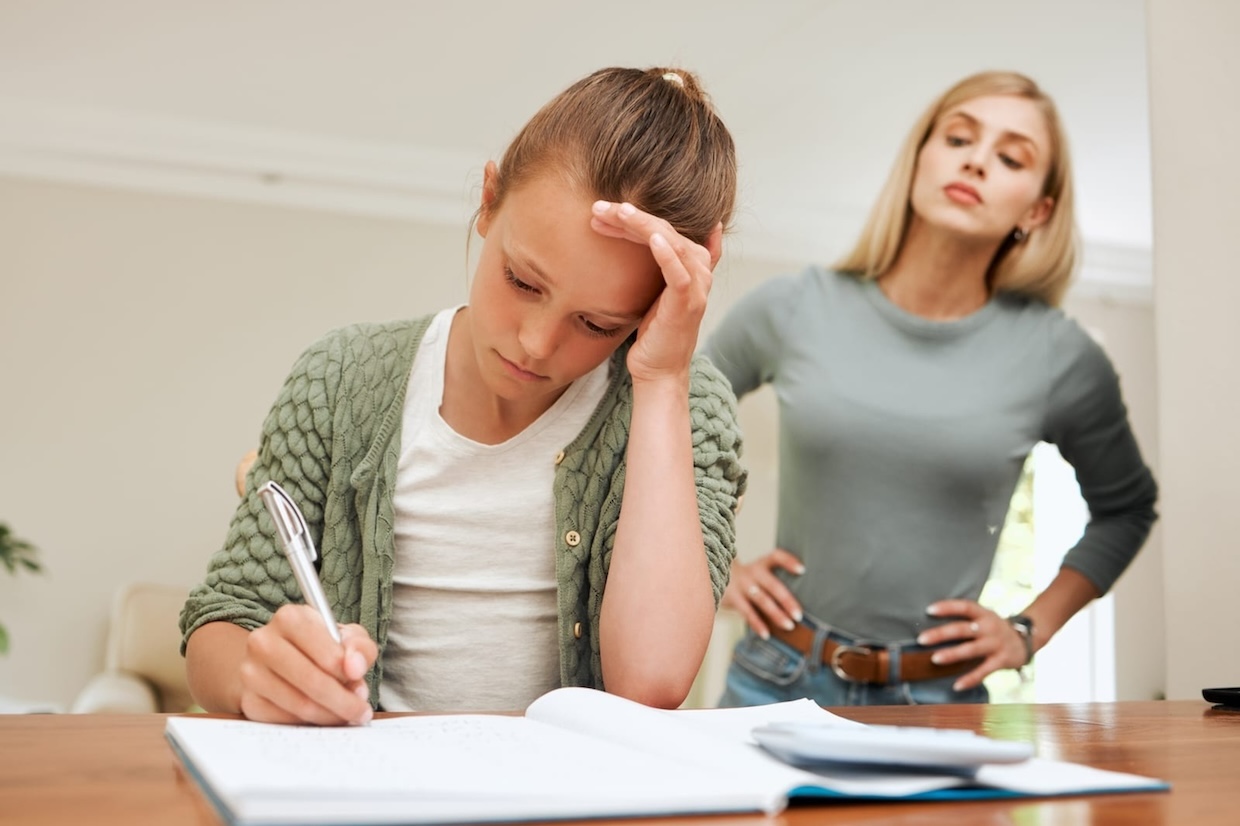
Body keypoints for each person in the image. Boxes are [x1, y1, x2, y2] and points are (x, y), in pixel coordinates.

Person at [179, 66, 746, 726]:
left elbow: (650, 681)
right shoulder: (340, 379)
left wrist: (663, 382)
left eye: (596, 324)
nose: (535, 343)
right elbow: (224, 620)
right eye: (522, 281)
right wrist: (263, 675)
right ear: (488, 200)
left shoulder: (681, 404)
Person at [702, 70, 1157, 706]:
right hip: (773, 682)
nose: (976, 161)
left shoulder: (1062, 356)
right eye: (959, 138)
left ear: (1037, 209)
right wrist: (710, 566)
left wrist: (1029, 630)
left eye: (1009, 157)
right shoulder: (793, 307)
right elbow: (667, 415)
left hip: (940, 703)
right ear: (920, 157)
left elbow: (1127, 509)